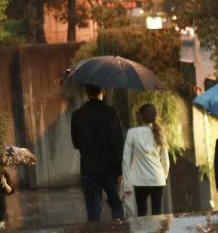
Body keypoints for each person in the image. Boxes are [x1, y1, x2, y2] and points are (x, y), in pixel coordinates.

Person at [70, 84, 125, 221]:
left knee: (93, 208)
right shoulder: (111, 112)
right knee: (116, 203)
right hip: (110, 167)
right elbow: (117, 142)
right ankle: (119, 232)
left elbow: (76, 144)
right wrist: (121, 170)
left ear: (87, 93)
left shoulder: (77, 115)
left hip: (89, 167)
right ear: (103, 92)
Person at [122, 103, 170, 217]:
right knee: (157, 214)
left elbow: (125, 160)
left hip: (140, 180)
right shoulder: (160, 133)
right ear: (155, 117)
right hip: (158, 178)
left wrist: (127, 181)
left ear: (139, 116)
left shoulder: (132, 133)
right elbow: (166, 161)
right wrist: (163, 176)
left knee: (142, 213)